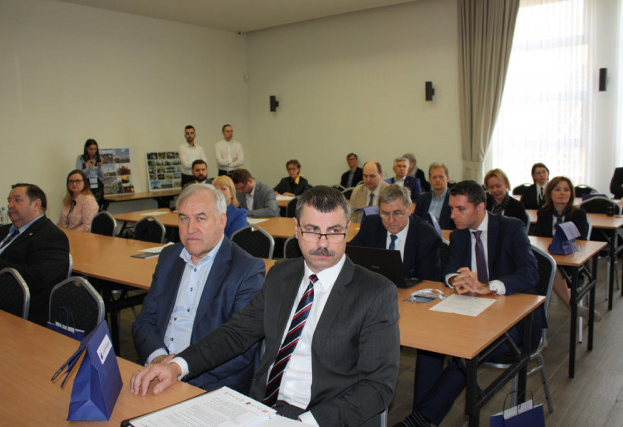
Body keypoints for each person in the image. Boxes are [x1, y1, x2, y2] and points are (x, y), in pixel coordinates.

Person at [130, 186, 400, 426]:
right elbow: (236, 333)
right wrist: (177, 366)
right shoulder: (281, 275)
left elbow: (377, 387)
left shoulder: (375, 293)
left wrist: (306, 423)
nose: (322, 243)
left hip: (325, 415)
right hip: (262, 408)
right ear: (296, 229)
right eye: (312, 230)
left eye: (333, 232)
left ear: (347, 231)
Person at [399, 180, 539, 427]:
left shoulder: (511, 228)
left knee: (465, 358)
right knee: (429, 345)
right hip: (468, 313)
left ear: (481, 207)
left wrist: (490, 286)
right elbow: (448, 270)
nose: (452, 215)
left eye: (460, 209)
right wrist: (457, 279)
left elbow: (530, 274)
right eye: (451, 208)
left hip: (513, 321)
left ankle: (422, 419)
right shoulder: (460, 235)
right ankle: (422, 418)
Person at [132, 183, 265, 393]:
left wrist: (180, 370)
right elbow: (146, 320)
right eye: (184, 218)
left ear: (222, 221)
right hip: (156, 372)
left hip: (205, 384)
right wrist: (158, 359)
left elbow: (240, 348)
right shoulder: (169, 257)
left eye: (200, 218)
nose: (190, 228)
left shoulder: (247, 270)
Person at [0, 184, 69, 326]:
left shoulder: (51, 236)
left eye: (17, 200)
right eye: (9, 201)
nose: (10, 205)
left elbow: (39, 276)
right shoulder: (4, 231)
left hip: (13, 308)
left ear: (36, 204)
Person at [534, 176, 599, 321]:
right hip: (550, 260)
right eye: (557, 189)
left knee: (550, 268)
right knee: (546, 268)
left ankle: (540, 332)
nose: (562, 193)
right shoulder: (543, 213)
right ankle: (572, 307)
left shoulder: (578, 214)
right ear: (550, 193)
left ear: (571, 194)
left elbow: (581, 242)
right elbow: (539, 238)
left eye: (566, 190)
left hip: (572, 264)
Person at [349, 184, 441, 281]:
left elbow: (429, 282)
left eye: (397, 213)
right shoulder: (371, 225)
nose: (391, 220)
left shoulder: (427, 236)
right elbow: (351, 254)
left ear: (409, 209)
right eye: (385, 213)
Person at [415, 162, 454, 229]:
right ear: (430, 179)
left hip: (445, 235)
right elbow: (416, 221)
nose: (437, 180)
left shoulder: (453, 198)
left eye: (441, 177)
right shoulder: (423, 199)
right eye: (434, 177)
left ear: (447, 178)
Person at [76, 138, 104, 206]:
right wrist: (88, 168)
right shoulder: (81, 158)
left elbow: (102, 176)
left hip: (97, 184)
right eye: (91, 149)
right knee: (87, 205)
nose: (93, 151)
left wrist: (100, 168)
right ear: (86, 148)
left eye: (95, 149)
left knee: (97, 205)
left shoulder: (98, 158)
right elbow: (79, 174)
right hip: (86, 183)